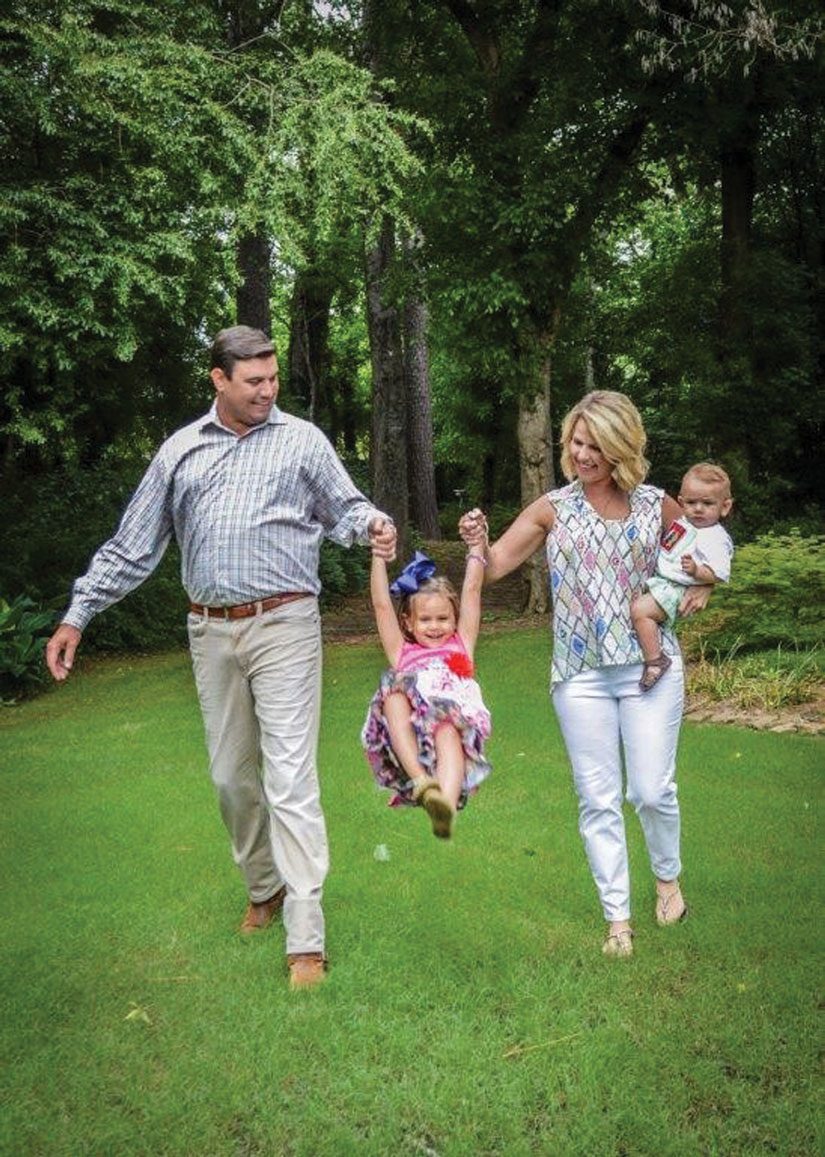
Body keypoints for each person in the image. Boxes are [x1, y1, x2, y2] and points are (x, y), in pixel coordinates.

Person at [45, 325, 396, 990]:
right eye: (254, 381)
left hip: (286, 623)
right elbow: (132, 545)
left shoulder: (302, 441)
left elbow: (347, 509)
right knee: (231, 778)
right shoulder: (180, 451)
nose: (268, 390)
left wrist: (373, 524)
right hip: (209, 631)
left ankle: (306, 938)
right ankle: (264, 887)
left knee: (290, 778)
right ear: (219, 379)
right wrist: (77, 614)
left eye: (273, 378)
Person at [460, 390, 712, 958]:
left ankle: (667, 879)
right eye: (577, 442)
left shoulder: (657, 505)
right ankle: (617, 920)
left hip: (651, 667)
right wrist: (476, 543)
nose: (583, 454)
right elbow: (495, 565)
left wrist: (703, 585)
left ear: (622, 446)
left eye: (596, 445)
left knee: (650, 790)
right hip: (580, 674)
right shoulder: (553, 508)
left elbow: (707, 552)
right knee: (597, 798)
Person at [361, 547, 492, 839]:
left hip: (451, 723)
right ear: (408, 622)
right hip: (411, 727)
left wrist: (475, 547)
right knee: (393, 695)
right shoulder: (402, 653)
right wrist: (378, 555)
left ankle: (444, 806)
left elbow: (472, 590)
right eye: (425, 619)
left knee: (446, 729)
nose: (434, 627)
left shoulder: (462, 644)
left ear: (455, 619)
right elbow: (381, 605)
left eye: (443, 618)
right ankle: (423, 784)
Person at [631, 462, 734, 691]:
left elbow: (718, 573)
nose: (698, 509)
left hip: (677, 588)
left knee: (640, 611)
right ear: (681, 502)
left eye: (707, 503)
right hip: (662, 581)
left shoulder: (714, 537)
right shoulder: (684, 524)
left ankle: (655, 660)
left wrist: (697, 572)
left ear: (725, 507)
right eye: (691, 502)